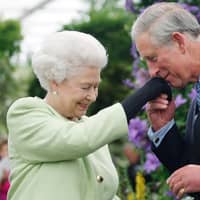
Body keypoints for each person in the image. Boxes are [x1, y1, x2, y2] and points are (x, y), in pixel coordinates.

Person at [6, 30, 171, 200]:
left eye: (96, 86)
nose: (92, 96)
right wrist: (142, 95)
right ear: (55, 81)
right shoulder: (25, 113)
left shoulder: (93, 130)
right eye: (85, 87)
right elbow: (76, 139)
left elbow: (103, 194)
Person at [131, 2, 200, 199]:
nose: (152, 72)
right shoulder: (197, 94)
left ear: (179, 42)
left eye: (153, 58)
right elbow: (187, 171)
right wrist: (163, 127)